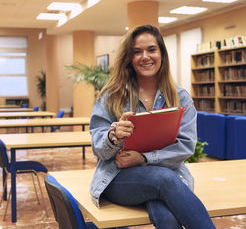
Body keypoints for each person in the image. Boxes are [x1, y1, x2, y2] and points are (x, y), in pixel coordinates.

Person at [89, 25, 216, 228]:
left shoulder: (180, 97)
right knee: (163, 179)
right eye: (137, 52)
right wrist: (113, 136)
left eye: (151, 50)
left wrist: (144, 158)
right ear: (129, 58)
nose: (145, 57)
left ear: (162, 54)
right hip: (119, 178)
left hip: (169, 178)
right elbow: (98, 146)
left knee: (167, 217)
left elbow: (186, 146)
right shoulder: (111, 96)